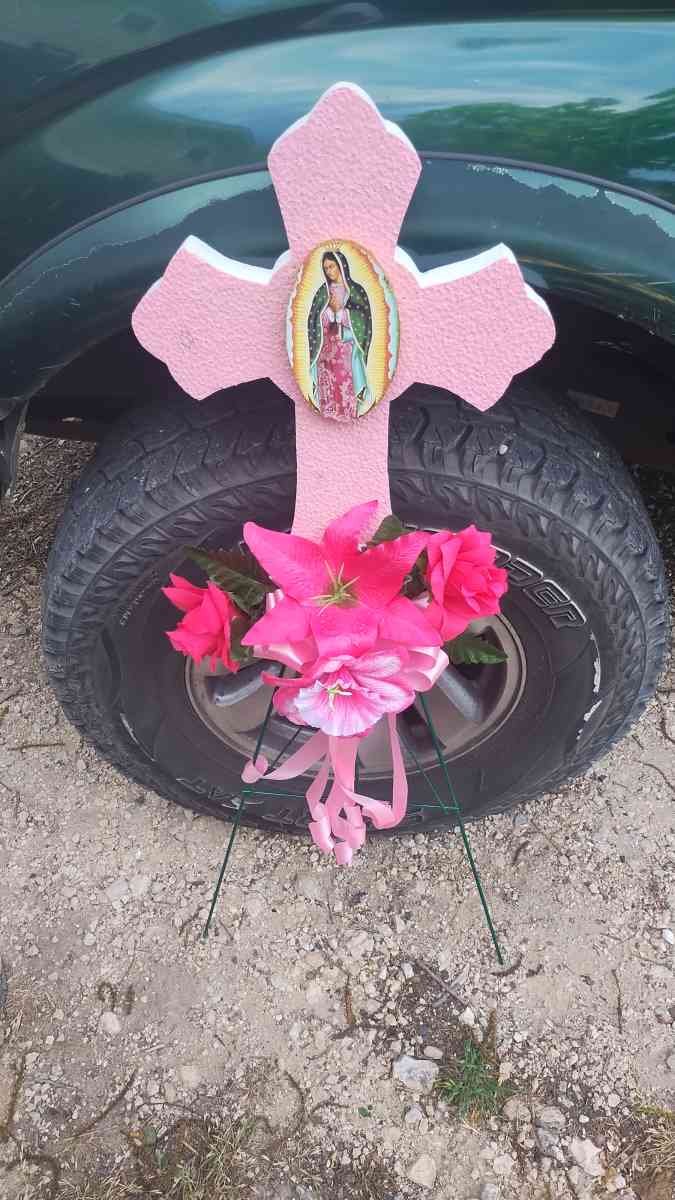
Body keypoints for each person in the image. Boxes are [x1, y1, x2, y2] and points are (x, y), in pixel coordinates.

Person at [307, 250, 372, 420]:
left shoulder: (355, 290)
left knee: (345, 385)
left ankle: (347, 414)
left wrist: (342, 314)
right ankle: (329, 414)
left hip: (346, 347)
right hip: (326, 349)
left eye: (331, 266)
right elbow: (313, 319)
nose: (329, 271)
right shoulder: (323, 292)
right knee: (328, 386)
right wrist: (327, 313)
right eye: (326, 268)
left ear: (341, 265)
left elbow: (364, 319)